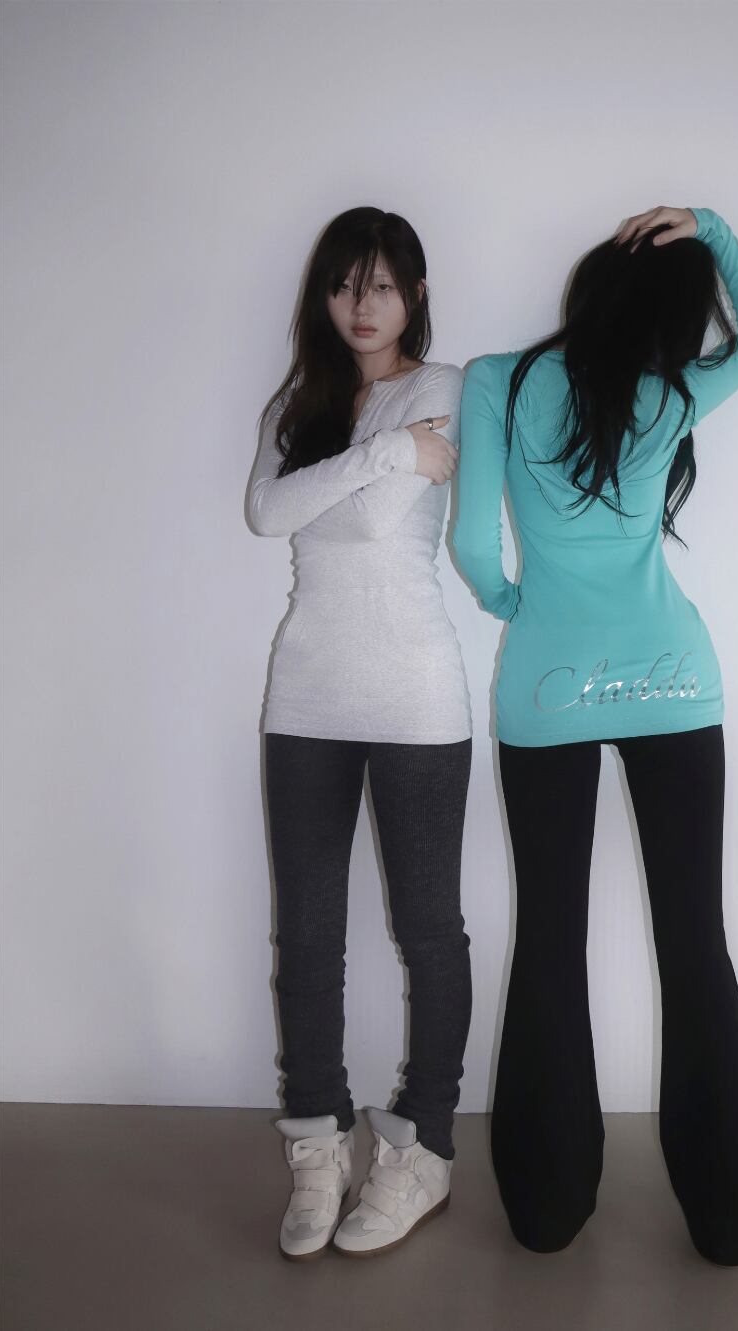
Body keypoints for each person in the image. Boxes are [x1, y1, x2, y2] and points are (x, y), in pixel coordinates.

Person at [451, 204, 738, 1264]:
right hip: (673, 682)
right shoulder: (672, 393)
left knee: (550, 935)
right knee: (694, 938)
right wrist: (713, 229)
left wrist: (510, 602)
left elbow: (471, 542)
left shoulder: (496, 381)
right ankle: (732, 1212)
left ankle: (547, 1205)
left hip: (546, 690)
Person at [246, 207, 472, 1260]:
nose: (361, 305)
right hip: (305, 695)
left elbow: (374, 519)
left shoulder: (445, 388)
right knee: (306, 932)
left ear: (414, 293)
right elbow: (266, 513)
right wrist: (384, 452)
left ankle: (424, 1148)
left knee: (428, 930)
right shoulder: (298, 403)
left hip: (416, 695)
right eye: (344, 285)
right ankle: (318, 1142)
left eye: (381, 285)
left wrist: (350, 474)